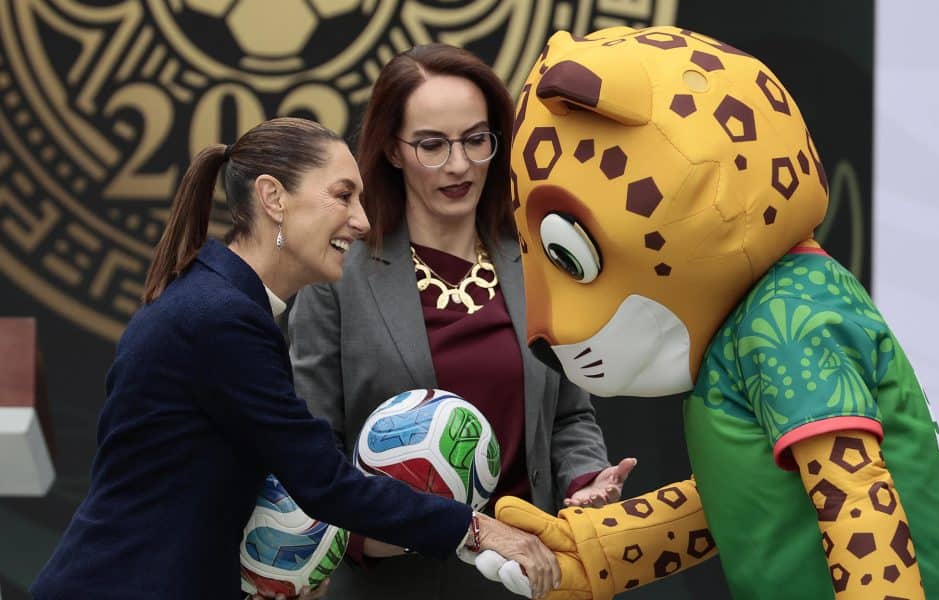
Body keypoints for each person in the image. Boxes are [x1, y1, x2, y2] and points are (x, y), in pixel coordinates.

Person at [30, 117, 560, 600]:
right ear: (273, 198)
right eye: (343, 196)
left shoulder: (217, 303)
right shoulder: (221, 318)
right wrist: (480, 529)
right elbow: (324, 483)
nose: (361, 220)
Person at [287, 45, 635, 600]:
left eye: (476, 139)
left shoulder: (536, 258)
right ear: (393, 151)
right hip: (394, 584)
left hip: (533, 578)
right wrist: (380, 535)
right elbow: (311, 454)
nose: (458, 164)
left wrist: (586, 482)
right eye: (432, 144)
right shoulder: (338, 275)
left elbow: (569, 416)